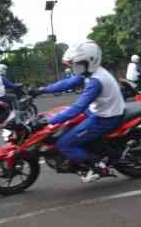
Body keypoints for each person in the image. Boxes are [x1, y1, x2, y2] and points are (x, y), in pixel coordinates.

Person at [30, 40, 126, 183]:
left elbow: (77, 109)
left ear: (90, 61)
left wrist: (47, 122)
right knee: (65, 128)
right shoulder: (89, 72)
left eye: (77, 64)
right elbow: (67, 83)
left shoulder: (95, 81)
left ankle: (98, 166)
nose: (74, 67)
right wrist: (41, 90)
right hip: (97, 111)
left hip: (106, 117)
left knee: (64, 143)